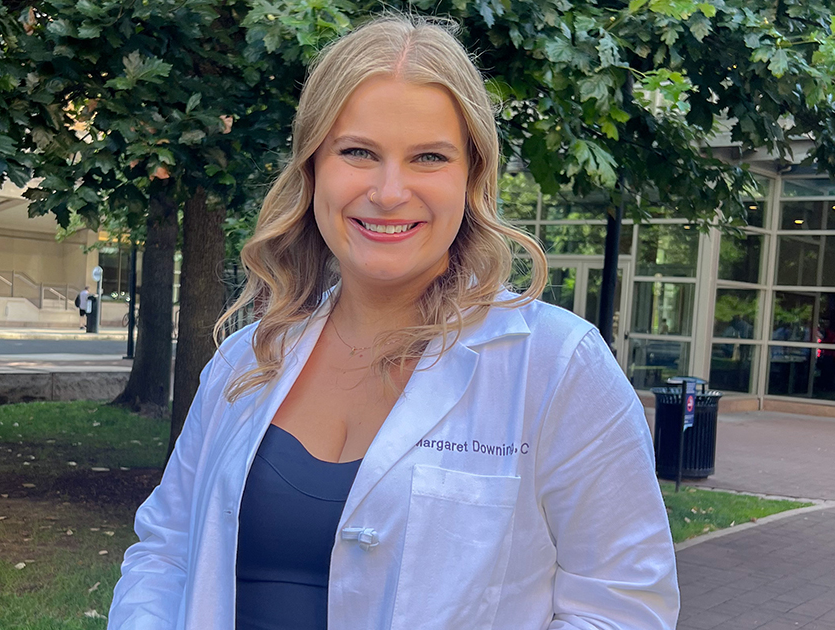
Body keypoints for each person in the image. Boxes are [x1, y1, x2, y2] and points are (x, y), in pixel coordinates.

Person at [108, 15, 678, 630]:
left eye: (429, 157)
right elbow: (165, 552)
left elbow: (624, 608)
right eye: (358, 152)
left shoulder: (557, 366)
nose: (388, 190)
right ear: (312, 169)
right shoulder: (245, 359)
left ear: (472, 178)